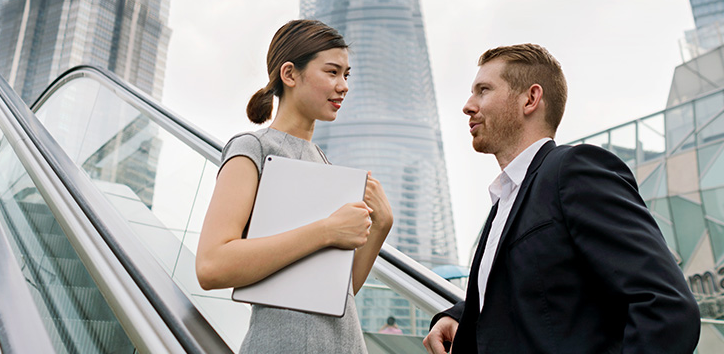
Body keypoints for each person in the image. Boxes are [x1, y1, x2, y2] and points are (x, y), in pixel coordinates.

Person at [422, 44, 700, 354]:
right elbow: (545, 289)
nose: (468, 105)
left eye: (483, 90)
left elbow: (666, 306)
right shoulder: (505, 199)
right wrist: (461, 314)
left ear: (531, 98)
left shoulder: (573, 170)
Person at [196, 19, 393, 353]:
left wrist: (381, 226)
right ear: (289, 74)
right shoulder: (253, 149)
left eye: (347, 75)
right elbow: (211, 265)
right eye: (332, 72)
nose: (343, 85)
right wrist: (327, 230)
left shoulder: (327, 166)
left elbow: (337, 294)